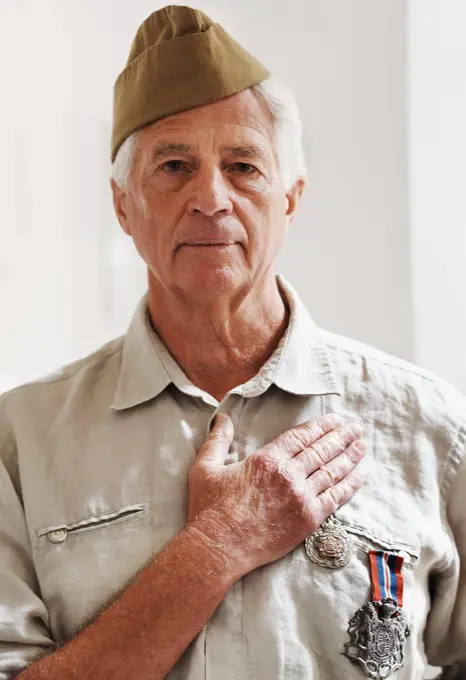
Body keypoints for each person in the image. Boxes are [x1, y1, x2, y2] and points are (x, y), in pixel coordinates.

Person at [0, 6, 464, 679]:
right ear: (123, 206)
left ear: (291, 198)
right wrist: (219, 544)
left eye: (243, 166)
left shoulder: (431, 428)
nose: (210, 198)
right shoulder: (21, 442)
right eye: (174, 165)